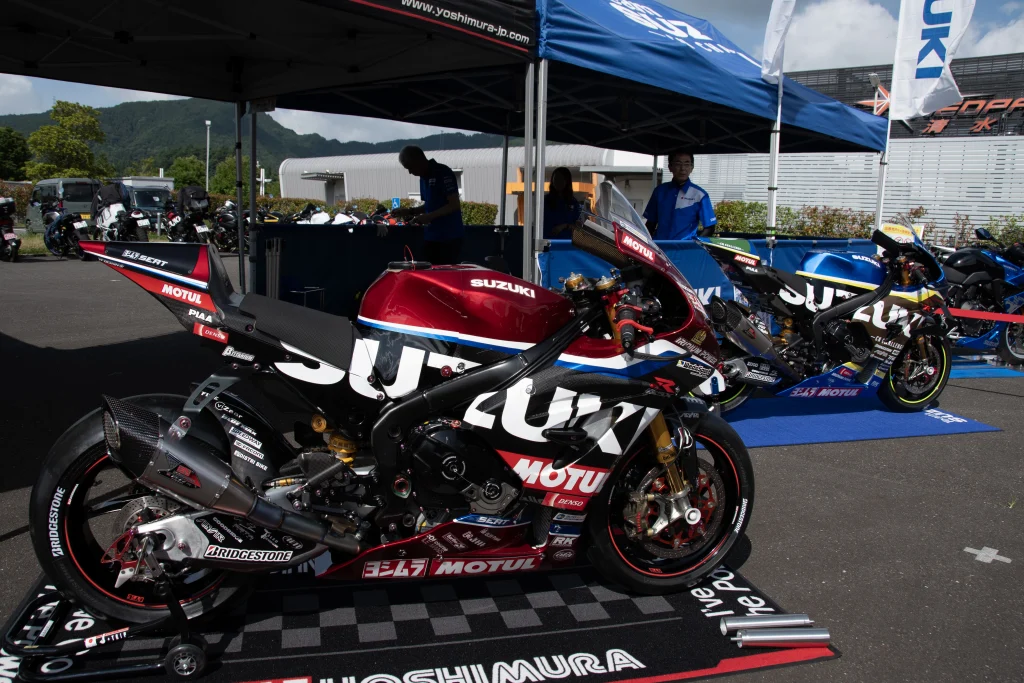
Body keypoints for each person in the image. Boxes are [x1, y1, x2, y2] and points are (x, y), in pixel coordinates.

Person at [390, 146, 464, 264]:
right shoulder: (423, 178)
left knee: (443, 272)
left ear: (419, 160)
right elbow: (430, 205)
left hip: (449, 237)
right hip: (432, 236)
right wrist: (410, 211)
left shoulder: (443, 172)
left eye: (410, 167)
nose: (410, 172)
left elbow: (454, 205)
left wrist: (429, 216)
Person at [644, 149, 717, 240]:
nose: (683, 168)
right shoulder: (659, 191)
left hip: (685, 247)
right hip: (659, 245)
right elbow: (650, 224)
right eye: (678, 164)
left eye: (687, 164)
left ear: (692, 167)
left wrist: (694, 245)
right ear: (670, 167)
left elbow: (710, 227)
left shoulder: (700, 195)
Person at [543, 167, 582, 239]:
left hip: (567, 242)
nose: (558, 181)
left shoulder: (573, 202)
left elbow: (578, 226)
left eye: (561, 179)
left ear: (567, 181)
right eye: (556, 178)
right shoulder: (545, 201)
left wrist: (565, 226)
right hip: (548, 241)